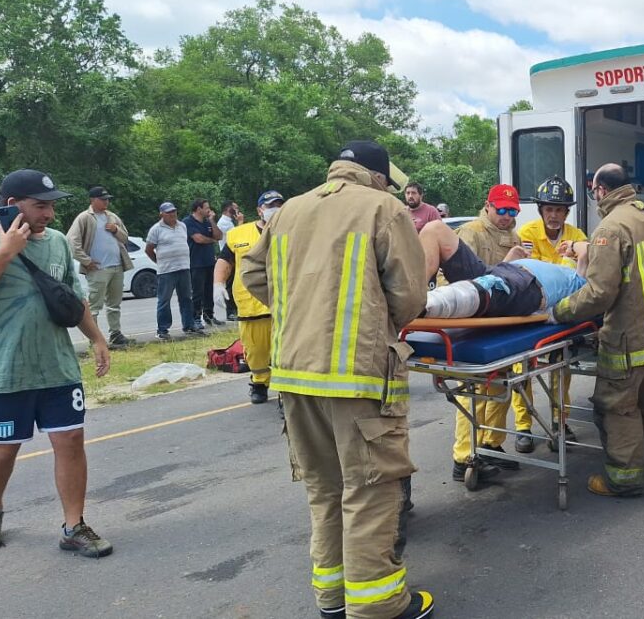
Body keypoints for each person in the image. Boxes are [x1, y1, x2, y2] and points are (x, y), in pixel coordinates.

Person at [241, 141, 434, 619]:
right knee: (370, 490)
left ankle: (332, 598)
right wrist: (371, 318)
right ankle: (378, 606)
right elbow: (410, 297)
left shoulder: (289, 211)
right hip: (357, 377)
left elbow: (252, 272)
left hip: (293, 375)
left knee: (324, 489)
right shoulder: (383, 208)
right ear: (378, 176)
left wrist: (301, 304)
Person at [0, 169, 113, 557]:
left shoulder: (56, 242)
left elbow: (71, 297)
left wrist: (97, 338)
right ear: (10, 206)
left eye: (52, 205)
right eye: (40, 206)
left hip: (57, 367)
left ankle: (74, 526)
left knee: (71, 441)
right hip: (1, 370)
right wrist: (5, 252)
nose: (50, 214)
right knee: (3, 450)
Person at [552, 163, 644, 497]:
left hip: (631, 341)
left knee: (618, 407)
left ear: (600, 190)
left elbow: (599, 293)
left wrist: (559, 311)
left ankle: (624, 481)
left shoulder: (610, 227)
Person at [444, 184, 529, 481]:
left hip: (501, 322)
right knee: (472, 390)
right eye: (501, 210)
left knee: (501, 385)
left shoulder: (515, 237)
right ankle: (465, 456)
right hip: (472, 320)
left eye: (512, 211)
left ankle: (491, 444)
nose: (506, 216)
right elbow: (458, 280)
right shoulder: (470, 233)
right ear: (488, 206)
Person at [514, 175, 587, 450]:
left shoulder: (577, 237)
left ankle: (560, 423)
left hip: (561, 314)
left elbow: (581, 275)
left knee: (561, 370)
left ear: (566, 212)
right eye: (549, 210)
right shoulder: (528, 234)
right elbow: (527, 272)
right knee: (521, 369)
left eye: (559, 210)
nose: (554, 215)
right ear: (541, 210)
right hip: (530, 314)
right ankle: (524, 426)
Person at [418, 219, 588, 320]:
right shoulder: (560, 269)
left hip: (529, 287)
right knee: (434, 229)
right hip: (497, 273)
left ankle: (426, 305)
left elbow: (587, 249)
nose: (568, 258)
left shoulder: (579, 281)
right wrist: (511, 259)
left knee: (491, 289)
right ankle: (414, 295)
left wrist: (572, 245)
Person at [215, 190, 283, 405]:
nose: (275, 209)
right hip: (250, 304)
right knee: (255, 350)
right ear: (259, 210)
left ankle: (285, 392)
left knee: (286, 351)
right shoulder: (239, 234)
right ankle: (259, 382)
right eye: (270, 205)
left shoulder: (294, 230)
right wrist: (218, 283)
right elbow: (225, 261)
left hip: (284, 303)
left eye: (279, 204)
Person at [66, 186, 135, 348]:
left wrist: (116, 229)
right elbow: (72, 241)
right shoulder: (85, 218)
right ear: (92, 200)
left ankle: (116, 334)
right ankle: (94, 338)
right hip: (98, 269)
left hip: (116, 266)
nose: (106, 202)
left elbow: (125, 237)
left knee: (115, 303)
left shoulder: (112, 217)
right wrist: (86, 261)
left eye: (107, 199)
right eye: (103, 199)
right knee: (94, 306)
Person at [146, 202, 204, 340]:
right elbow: (149, 249)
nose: (172, 214)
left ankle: (189, 326)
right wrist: (159, 261)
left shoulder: (182, 226)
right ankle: (163, 330)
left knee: (186, 299)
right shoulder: (156, 229)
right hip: (166, 271)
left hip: (183, 268)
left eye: (174, 211)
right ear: (161, 214)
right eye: (168, 212)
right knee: (164, 300)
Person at [183, 199, 223, 329]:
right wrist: (212, 240)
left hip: (209, 261)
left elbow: (219, 236)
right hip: (196, 263)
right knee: (197, 292)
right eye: (206, 207)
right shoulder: (188, 222)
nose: (209, 210)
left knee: (209, 291)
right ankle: (196, 318)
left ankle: (209, 316)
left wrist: (212, 220)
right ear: (198, 209)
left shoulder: (207, 222)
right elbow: (198, 239)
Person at [218, 200, 245, 320]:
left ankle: (236, 309)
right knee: (229, 284)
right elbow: (236, 237)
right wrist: (240, 222)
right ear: (229, 209)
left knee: (235, 282)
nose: (237, 210)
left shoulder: (229, 222)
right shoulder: (224, 223)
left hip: (234, 255)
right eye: (235, 208)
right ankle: (230, 312)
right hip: (228, 256)